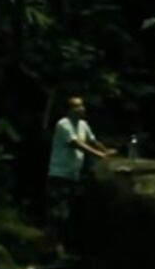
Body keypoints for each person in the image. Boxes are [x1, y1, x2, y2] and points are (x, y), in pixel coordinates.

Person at [47, 96, 115, 252]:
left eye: (82, 106)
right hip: (59, 175)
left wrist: (105, 150)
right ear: (68, 110)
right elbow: (76, 144)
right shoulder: (63, 124)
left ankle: (63, 249)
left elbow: (92, 140)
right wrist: (99, 155)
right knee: (58, 215)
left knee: (70, 214)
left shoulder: (83, 124)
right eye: (76, 107)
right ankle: (52, 249)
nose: (81, 109)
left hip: (73, 176)